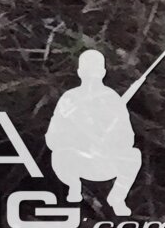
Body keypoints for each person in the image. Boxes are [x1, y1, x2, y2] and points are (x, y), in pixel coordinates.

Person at [46, 48, 144, 215]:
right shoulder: (70, 99)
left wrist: (108, 143)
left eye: (95, 71)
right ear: (79, 72)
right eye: (87, 71)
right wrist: (79, 142)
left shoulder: (112, 98)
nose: (92, 76)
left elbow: (128, 136)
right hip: (77, 161)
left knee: (133, 156)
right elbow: (52, 137)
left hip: (106, 160)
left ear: (103, 72)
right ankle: (74, 187)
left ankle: (117, 198)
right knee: (59, 156)